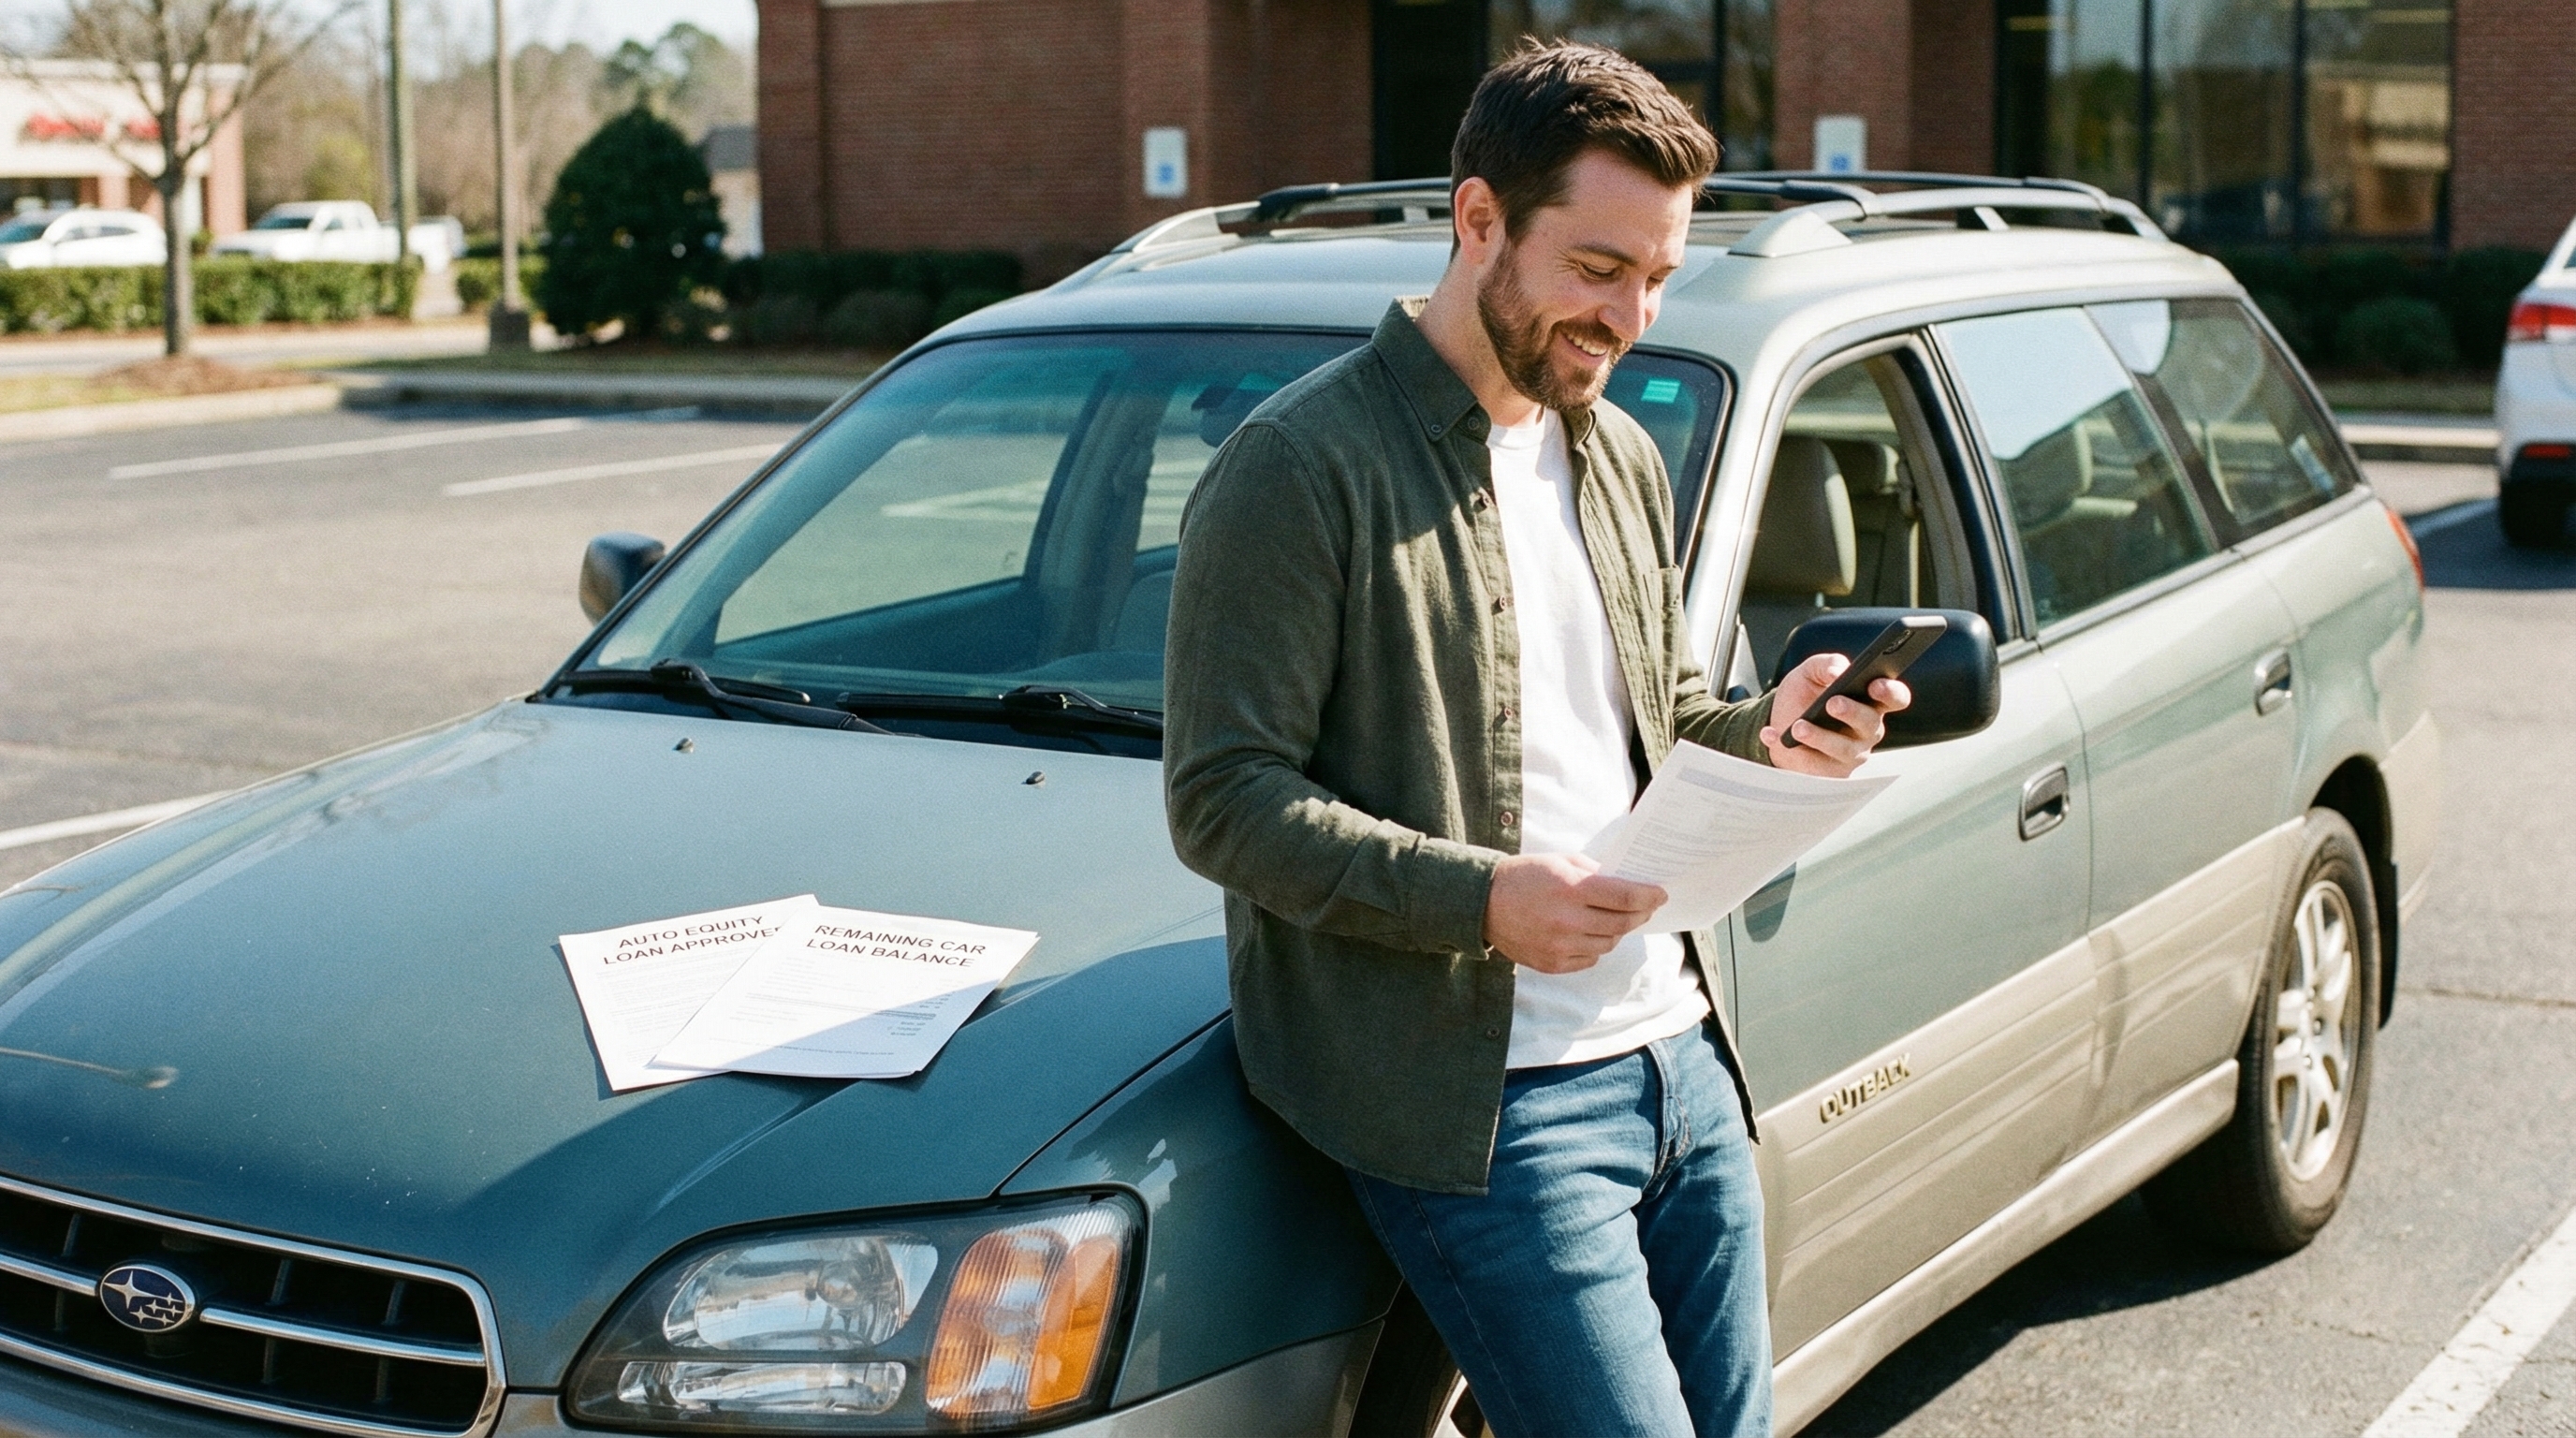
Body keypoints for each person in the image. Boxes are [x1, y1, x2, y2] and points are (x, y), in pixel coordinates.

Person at [1162, 40, 1910, 1438]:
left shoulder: (1615, 450)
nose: (1628, 315)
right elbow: (1222, 800)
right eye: (1596, 268)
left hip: (1680, 1059)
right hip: (1489, 1111)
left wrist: (1780, 734)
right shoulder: (1300, 467)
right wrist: (1485, 903)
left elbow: (1661, 720)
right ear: (1479, 219)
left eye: (1658, 278)